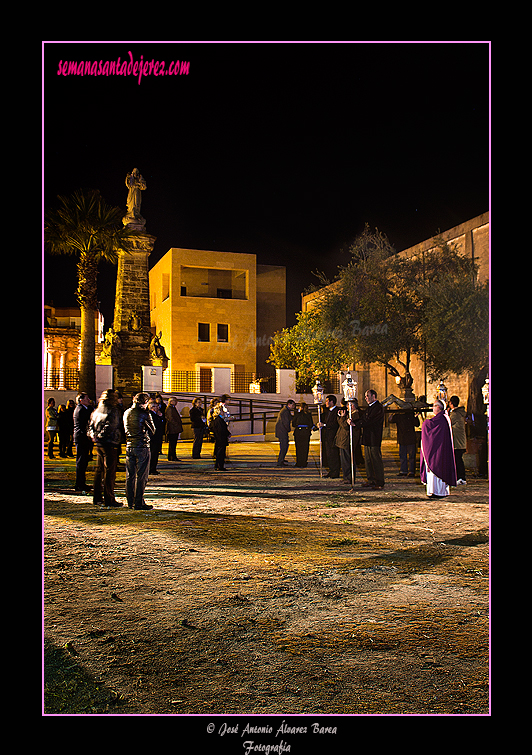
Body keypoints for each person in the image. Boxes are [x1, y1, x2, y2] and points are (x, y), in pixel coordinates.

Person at [88, 389, 122, 507]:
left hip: (99, 443)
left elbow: (91, 425)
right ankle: (109, 498)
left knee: (99, 470)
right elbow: (111, 426)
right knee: (109, 472)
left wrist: (95, 436)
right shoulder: (113, 410)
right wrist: (101, 435)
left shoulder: (97, 410)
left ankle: (97, 497)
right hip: (109, 442)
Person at [123, 392, 155, 510]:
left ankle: (130, 501)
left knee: (130, 475)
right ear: (145, 402)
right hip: (142, 445)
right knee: (141, 475)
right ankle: (138, 502)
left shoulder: (127, 412)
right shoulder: (144, 414)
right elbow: (153, 430)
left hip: (129, 445)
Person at [420, 399, 457, 498]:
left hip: (438, 450)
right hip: (439, 448)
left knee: (437, 467)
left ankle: (438, 492)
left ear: (438, 407)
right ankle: (436, 491)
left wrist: (425, 423)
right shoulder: (444, 417)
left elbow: (430, 426)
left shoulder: (441, 419)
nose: (432, 408)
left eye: (434, 406)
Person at [356, 389, 385, 489]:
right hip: (367, 437)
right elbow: (363, 418)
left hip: (374, 437)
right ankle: (371, 479)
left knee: (375, 459)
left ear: (373, 396)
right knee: (368, 460)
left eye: (367, 396)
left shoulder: (378, 407)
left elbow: (370, 420)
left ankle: (379, 481)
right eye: (365, 396)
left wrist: (357, 424)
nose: (366, 398)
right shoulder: (370, 408)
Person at [336, 399, 361, 484]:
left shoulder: (355, 415)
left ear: (352, 406)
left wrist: (343, 417)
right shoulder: (350, 414)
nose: (346, 407)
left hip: (347, 440)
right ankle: (346, 476)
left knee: (347, 460)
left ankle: (349, 477)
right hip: (344, 440)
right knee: (344, 461)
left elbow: (345, 426)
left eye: (348, 405)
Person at [390, 408, 420, 477]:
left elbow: (390, 419)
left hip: (406, 438)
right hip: (406, 438)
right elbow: (417, 423)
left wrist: (394, 412)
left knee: (407, 455)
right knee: (407, 456)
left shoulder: (400, 415)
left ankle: (407, 471)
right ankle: (408, 471)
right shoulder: (403, 415)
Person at [73, 392, 93, 492]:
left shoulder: (83, 409)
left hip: (82, 437)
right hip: (81, 438)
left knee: (83, 461)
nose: (89, 400)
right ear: (81, 400)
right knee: (81, 461)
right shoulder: (81, 410)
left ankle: (81, 482)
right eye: (87, 398)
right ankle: (79, 483)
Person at [319, 395, 340, 478]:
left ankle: (335, 471)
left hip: (333, 436)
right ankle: (331, 470)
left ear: (332, 402)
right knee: (329, 455)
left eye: (327, 401)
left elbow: (335, 424)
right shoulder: (327, 412)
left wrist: (324, 424)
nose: (326, 403)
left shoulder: (337, 411)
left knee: (334, 454)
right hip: (327, 436)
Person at [448, 395, 467, 484]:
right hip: (460, 441)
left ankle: (460, 477)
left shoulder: (455, 414)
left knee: (457, 460)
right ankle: (460, 477)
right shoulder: (459, 413)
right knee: (458, 459)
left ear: (451, 403)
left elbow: (448, 423)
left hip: (457, 442)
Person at [292, 401, 315, 467]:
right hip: (306, 432)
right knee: (305, 448)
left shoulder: (297, 414)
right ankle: (304, 461)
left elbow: (293, 423)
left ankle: (299, 462)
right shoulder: (308, 414)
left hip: (298, 432)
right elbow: (310, 423)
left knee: (298, 448)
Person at [275, 399, 296, 466]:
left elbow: (290, 418)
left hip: (281, 431)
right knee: (284, 446)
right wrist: (288, 429)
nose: (294, 407)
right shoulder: (285, 412)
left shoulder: (285, 410)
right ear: (289, 405)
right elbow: (286, 422)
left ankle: (281, 459)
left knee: (284, 445)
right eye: (293, 405)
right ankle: (280, 461)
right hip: (282, 431)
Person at [212, 404, 231, 471]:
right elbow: (221, 430)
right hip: (221, 439)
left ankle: (219, 465)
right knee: (221, 453)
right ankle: (220, 466)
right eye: (222, 411)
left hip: (220, 438)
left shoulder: (219, 419)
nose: (223, 412)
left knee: (220, 452)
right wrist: (226, 434)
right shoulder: (219, 420)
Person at [148, 398, 165, 475]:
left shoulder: (155, 414)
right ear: (152, 407)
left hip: (157, 436)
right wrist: (160, 417)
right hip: (154, 437)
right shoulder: (151, 415)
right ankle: (151, 469)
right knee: (153, 453)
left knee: (155, 453)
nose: (158, 408)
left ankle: (153, 468)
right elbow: (157, 425)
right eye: (156, 407)